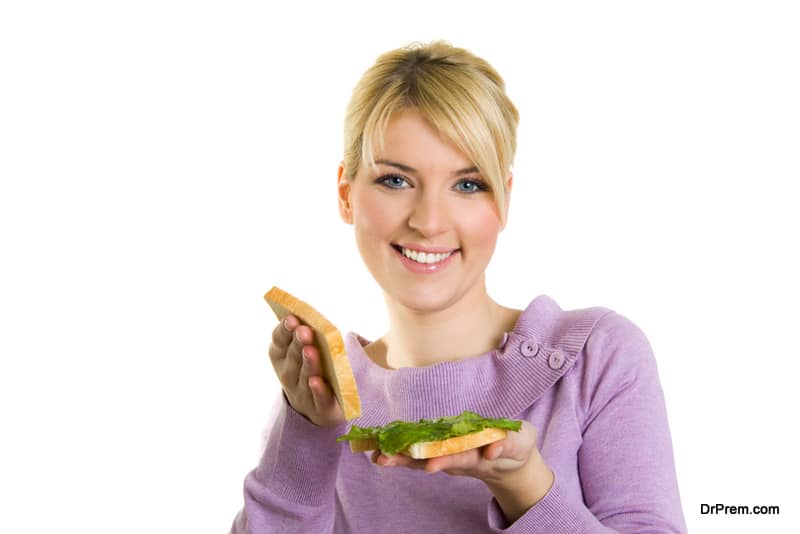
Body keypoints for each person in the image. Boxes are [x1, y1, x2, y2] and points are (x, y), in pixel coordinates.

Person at [231, 41, 686, 533]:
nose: (429, 222)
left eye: (468, 184)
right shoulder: (326, 399)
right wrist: (308, 430)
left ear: (504, 201)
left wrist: (526, 487)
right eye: (395, 181)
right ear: (346, 194)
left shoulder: (594, 358)